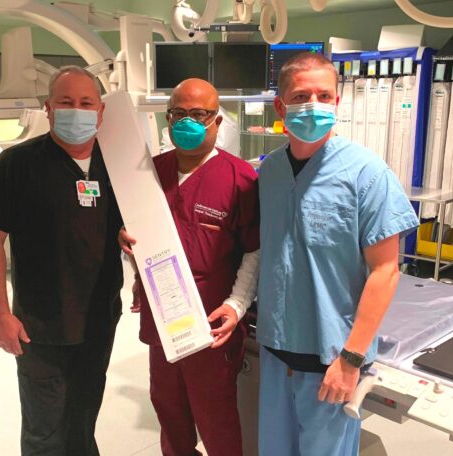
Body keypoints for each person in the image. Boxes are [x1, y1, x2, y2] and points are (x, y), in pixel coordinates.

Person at [257, 53, 419, 456]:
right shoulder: (270, 171)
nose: (314, 105)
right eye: (301, 95)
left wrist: (350, 359)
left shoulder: (367, 173)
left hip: (332, 358)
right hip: (277, 351)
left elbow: (385, 271)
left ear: (337, 102)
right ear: (281, 106)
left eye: (324, 95)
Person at [0, 66, 124, 456]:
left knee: (84, 419)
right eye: (66, 102)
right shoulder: (18, 164)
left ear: (101, 111)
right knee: (44, 432)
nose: (77, 111)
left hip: (99, 319)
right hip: (39, 325)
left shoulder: (116, 165)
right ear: (48, 109)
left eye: (86, 103)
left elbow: (128, 230)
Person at [119, 78, 259, 456]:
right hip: (161, 320)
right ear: (167, 119)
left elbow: (254, 251)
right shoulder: (148, 173)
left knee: (218, 423)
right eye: (179, 113)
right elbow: (138, 236)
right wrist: (129, 254)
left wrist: (236, 305)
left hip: (212, 324)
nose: (188, 122)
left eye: (199, 114)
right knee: (170, 414)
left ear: (217, 122)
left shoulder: (239, 178)